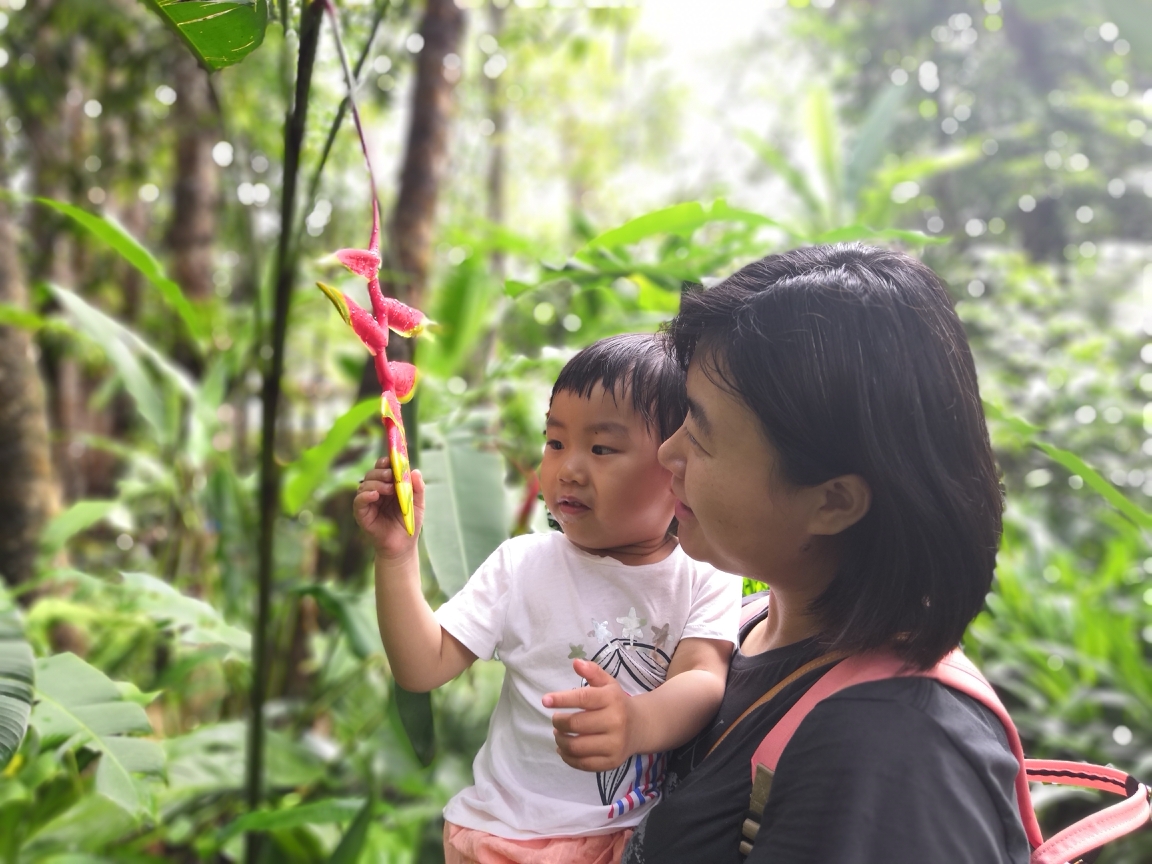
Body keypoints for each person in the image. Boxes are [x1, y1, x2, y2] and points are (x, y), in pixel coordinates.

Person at [603, 244, 1031, 863]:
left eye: (700, 432)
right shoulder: (751, 624)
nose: (668, 452)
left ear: (832, 503)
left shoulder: (894, 754)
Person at [355, 333, 742, 864]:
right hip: (508, 840)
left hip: (634, 840)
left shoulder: (707, 572)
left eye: (601, 448)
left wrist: (635, 724)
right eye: (555, 442)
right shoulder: (523, 566)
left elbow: (702, 679)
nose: (569, 468)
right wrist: (398, 558)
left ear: (675, 463)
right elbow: (423, 666)